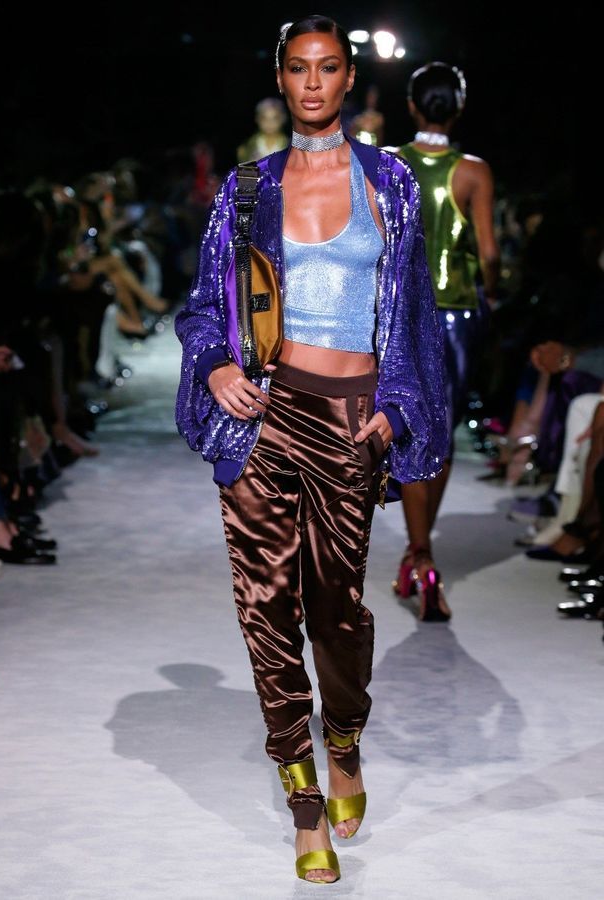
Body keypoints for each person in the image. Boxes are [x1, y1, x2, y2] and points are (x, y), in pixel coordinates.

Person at [175, 16, 447, 885]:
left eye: (329, 68)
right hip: (265, 412)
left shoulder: (390, 183)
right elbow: (202, 305)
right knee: (266, 606)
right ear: (282, 78)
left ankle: (345, 740)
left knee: (337, 610)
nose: (314, 83)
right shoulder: (248, 188)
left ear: (349, 78)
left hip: (350, 419)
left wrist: (398, 407)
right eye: (299, 68)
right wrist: (217, 365)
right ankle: (302, 801)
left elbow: (414, 313)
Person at [387, 62, 500, 617]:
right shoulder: (473, 171)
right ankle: (422, 558)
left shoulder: (390, 162)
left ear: (412, 106)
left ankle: (420, 556)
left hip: (404, 313)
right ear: (458, 108)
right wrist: (492, 291)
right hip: (456, 316)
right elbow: (489, 252)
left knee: (411, 430)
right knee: (443, 435)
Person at [236, 97, 289, 163]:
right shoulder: (246, 148)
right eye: (264, 118)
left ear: (283, 118)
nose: (269, 123)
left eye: (275, 118)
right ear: (257, 119)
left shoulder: (291, 147)